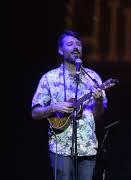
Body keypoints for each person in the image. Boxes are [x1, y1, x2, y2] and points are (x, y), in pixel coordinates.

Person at [31, 30, 107, 180]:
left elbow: (98, 116)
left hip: (87, 147)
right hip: (61, 148)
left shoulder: (93, 78)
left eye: (78, 44)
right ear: (60, 50)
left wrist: (98, 101)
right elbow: (35, 113)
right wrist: (53, 107)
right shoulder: (49, 78)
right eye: (70, 44)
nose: (75, 47)